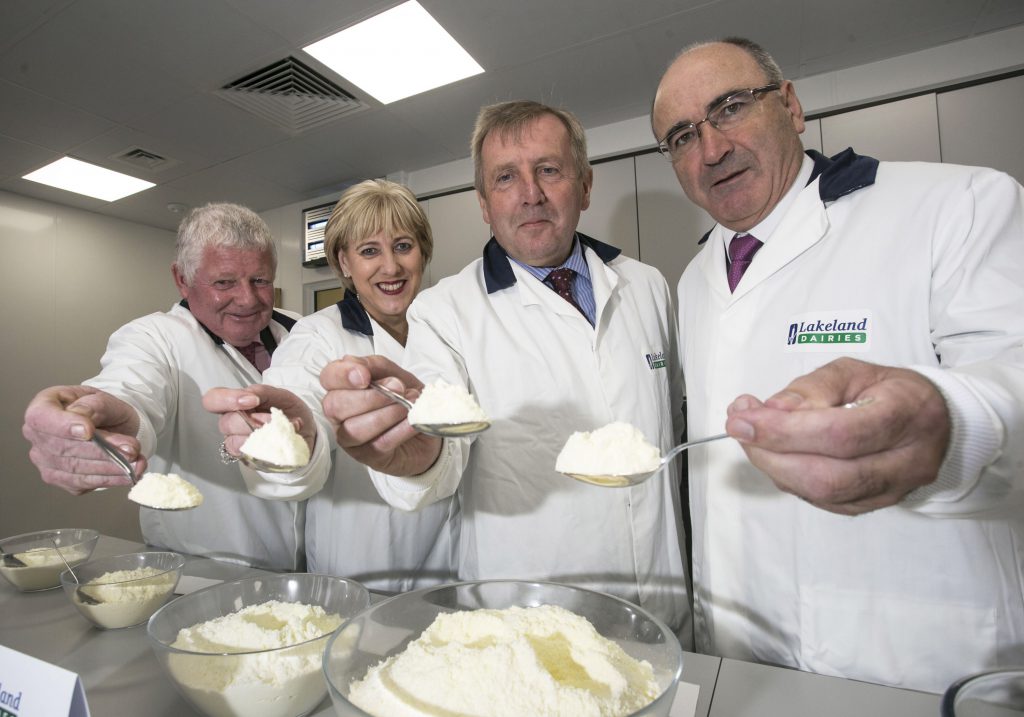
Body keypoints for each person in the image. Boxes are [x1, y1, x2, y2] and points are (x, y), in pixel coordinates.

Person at [651, 37, 1024, 692]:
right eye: (682, 136)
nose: (710, 150)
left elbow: (1011, 369)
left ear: (790, 106)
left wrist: (950, 421)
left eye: (730, 107)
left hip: (910, 661)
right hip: (737, 657)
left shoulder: (955, 204)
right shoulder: (694, 277)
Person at [319, 100, 692, 638]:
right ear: (484, 204)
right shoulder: (444, 312)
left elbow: (670, 420)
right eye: (505, 178)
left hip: (661, 604)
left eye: (548, 170)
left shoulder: (647, 286)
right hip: (529, 617)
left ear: (585, 186)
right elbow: (438, 455)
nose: (530, 193)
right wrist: (416, 453)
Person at [204, 179, 457, 591]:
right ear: (344, 262)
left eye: (404, 246)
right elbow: (297, 400)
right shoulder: (316, 336)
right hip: (362, 566)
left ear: (423, 253)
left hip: (448, 561)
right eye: (369, 251)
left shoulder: (447, 329)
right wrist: (294, 435)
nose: (390, 267)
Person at [22, 203, 303, 570]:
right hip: (206, 570)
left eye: (260, 280)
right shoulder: (153, 338)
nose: (247, 299)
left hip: (308, 564)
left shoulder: (299, 330)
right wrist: (112, 423)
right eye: (224, 282)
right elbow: (129, 387)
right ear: (182, 279)